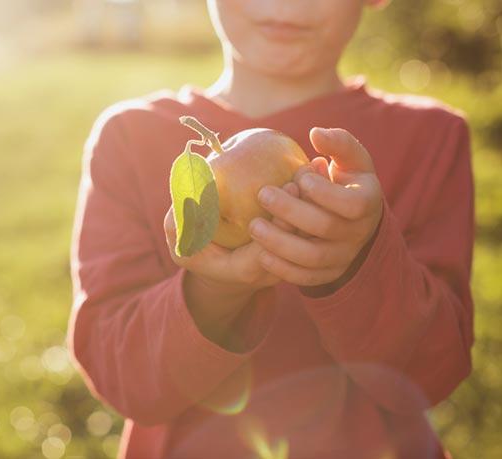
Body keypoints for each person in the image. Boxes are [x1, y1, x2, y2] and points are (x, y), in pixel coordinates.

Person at [68, 1, 474, 458]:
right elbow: (122, 376)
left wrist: (356, 263)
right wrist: (213, 292)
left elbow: (433, 371)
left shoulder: (430, 138)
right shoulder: (129, 137)